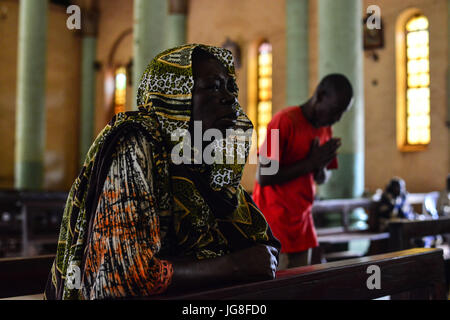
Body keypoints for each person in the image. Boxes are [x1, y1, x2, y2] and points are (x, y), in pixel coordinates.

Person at [44, 44, 280, 300]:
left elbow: (259, 244)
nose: (229, 97)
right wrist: (235, 266)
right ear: (172, 95)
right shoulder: (136, 146)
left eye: (230, 87)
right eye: (213, 86)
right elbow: (120, 275)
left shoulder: (207, 163)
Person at [252, 74, 353, 269]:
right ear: (321, 96)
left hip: (302, 224)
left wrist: (320, 166)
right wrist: (310, 162)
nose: (337, 119)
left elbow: (322, 178)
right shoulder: (282, 121)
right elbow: (263, 176)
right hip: (273, 224)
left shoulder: (325, 129)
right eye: (335, 111)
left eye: (342, 113)